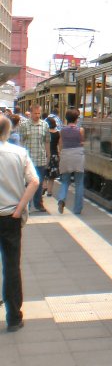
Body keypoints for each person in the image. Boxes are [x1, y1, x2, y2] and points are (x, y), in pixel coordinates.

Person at [0, 115, 40, 332]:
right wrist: (19, 208)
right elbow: (34, 181)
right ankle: (14, 317)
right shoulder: (19, 153)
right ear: (8, 132)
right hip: (10, 218)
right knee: (11, 266)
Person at [19, 104, 49, 213]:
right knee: (28, 183)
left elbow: (46, 141)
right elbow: (21, 142)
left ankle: (38, 203)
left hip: (40, 158)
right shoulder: (24, 125)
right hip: (28, 159)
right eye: (35, 113)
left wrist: (48, 156)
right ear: (30, 113)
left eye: (38, 113)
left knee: (39, 183)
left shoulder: (44, 125)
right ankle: (27, 204)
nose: (37, 115)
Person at [56, 108, 86, 215]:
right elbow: (82, 142)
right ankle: (77, 209)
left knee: (65, 181)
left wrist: (60, 154)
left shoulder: (62, 131)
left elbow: (60, 144)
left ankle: (61, 199)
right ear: (76, 119)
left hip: (66, 155)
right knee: (79, 183)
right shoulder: (80, 130)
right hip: (78, 155)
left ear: (66, 119)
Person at [45, 116, 60, 197]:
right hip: (54, 155)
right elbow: (58, 145)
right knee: (52, 176)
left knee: (44, 173)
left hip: (45, 154)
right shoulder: (57, 133)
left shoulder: (45, 133)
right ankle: (49, 191)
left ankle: (44, 186)